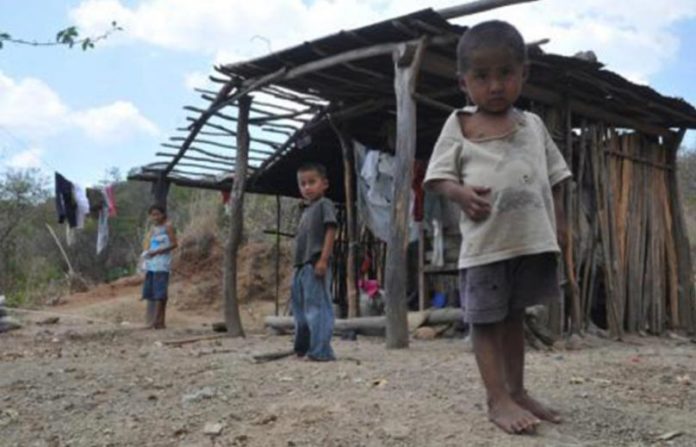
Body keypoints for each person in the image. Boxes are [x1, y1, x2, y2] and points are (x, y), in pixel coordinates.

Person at [424, 20, 571, 434]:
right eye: (482, 76)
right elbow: (437, 177)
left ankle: (517, 391)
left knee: (513, 317)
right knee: (486, 322)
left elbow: (556, 178)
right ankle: (496, 399)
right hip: (486, 244)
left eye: (506, 73)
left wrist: (560, 225)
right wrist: (460, 193)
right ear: (463, 82)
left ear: (524, 73)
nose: (495, 86)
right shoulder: (459, 124)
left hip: (528, 242)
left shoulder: (533, 125)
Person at [291, 163, 338, 361]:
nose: (307, 187)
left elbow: (331, 230)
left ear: (324, 184)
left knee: (317, 308)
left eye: (312, 182)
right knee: (300, 310)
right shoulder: (306, 210)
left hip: (315, 263)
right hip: (301, 266)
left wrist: (323, 260)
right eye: (303, 184)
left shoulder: (324, 204)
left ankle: (321, 351)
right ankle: (302, 348)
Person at [141, 204, 178, 329]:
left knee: (160, 291)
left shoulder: (168, 227)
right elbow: (149, 244)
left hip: (162, 263)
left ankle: (157, 320)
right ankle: (159, 321)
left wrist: (158, 251)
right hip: (152, 263)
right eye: (153, 215)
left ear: (163, 214)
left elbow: (174, 244)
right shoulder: (153, 229)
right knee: (153, 290)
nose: (155, 217)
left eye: (158, 214)